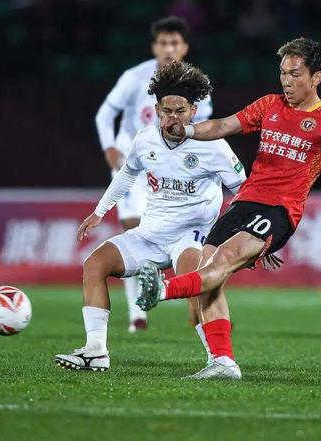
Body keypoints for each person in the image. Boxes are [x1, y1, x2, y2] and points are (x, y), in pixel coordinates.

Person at [136, 37, 321, 379]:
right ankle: (222, 362)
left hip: (279, 211)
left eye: (295, 74)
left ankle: (162, 290)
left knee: (223, 260)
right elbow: (223, 126)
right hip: (243, 203)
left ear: (316, 77)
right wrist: (188, 129)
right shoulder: (269, 105)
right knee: (208, 275)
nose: (286, 80)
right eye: (283, 73)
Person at [56, 61, 246, 372]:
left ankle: (222, 360)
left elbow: (245, 191)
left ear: (194, 111)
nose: (173, 118)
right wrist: (100, 211)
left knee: (199, 284)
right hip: (151, 234)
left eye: (180, 111)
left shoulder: (214, 146)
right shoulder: (145, 139)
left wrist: (249, 233)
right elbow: (126, 174)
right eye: (166, 110)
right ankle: (96, 351)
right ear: (156, 110)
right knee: (94, 264)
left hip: (191, 235)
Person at [95, 16, 212, 333]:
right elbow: (105, 114)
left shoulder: (196, 86)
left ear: (185, 47)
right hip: (133, 165)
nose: (169, 49)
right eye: (163, 43)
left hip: (172, 173)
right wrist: (109, 147)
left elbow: (203, 130)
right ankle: (138, 315)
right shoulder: (134, 77)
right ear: (154, 46)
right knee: (134, 230)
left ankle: (189, 301)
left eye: (175, 43)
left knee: (181, 239)